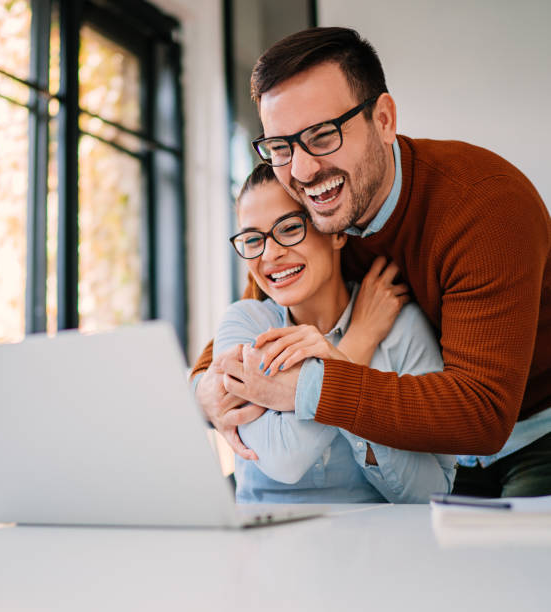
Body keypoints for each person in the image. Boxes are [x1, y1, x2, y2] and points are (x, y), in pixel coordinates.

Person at [192, 27, 551, 498]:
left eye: (321, 135)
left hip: (532, 434)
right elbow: (255, 306)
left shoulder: (484, 206)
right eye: (281, 147)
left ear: (383, 120)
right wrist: (206, 391)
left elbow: (480, 413)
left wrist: (308, 388)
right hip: (421, 453)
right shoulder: (317, 215)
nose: (301, 171)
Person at [216, 162, 454, 503]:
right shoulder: (245, 325)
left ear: (336, 231)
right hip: (264, 547)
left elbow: (432, 491)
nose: (270, 253)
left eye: (288, 228)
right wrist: (357, 345)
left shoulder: (402, 328)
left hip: (374, 546)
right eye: (253, 239)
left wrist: (326, 384)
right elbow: (287, 460)